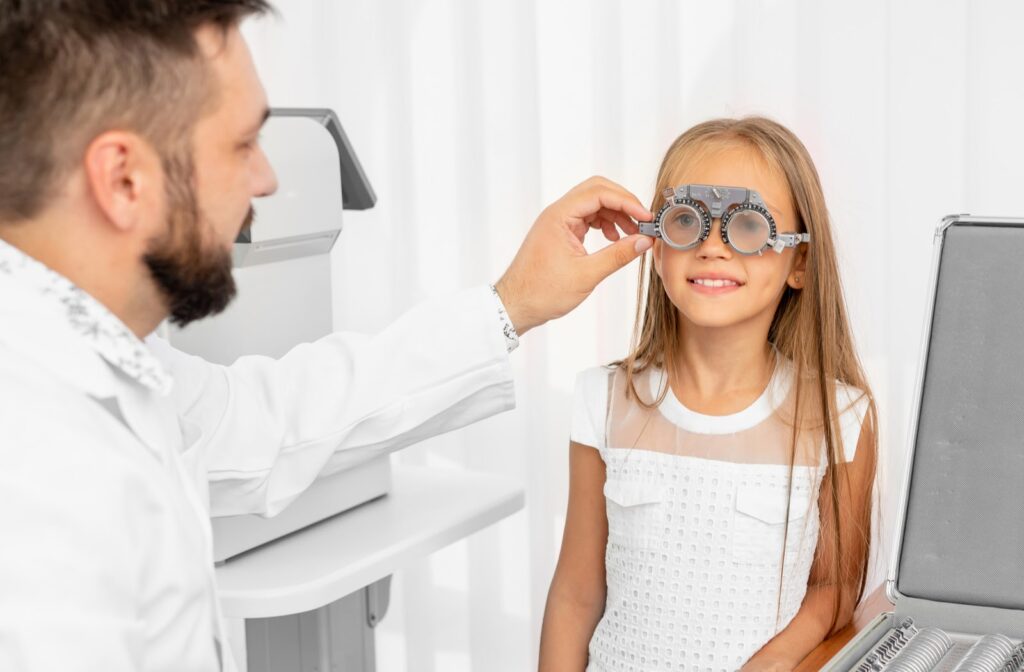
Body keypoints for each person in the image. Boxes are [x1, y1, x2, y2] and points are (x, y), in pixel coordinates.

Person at [0, 2, 655, 670]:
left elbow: (269, 420)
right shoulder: (39, 477)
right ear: (122, 179)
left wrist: (511, 304)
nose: (268, 178)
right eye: (242, 144)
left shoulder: (105, 365)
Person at [538, 117, 879, 672]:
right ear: (656, 243)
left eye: (747, 226)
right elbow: (576, 594)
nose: (713, 247)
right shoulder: (602, 400)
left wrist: (770, 664)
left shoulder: (839, 417)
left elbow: (835, 585)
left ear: (799, 261)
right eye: (687, 221)